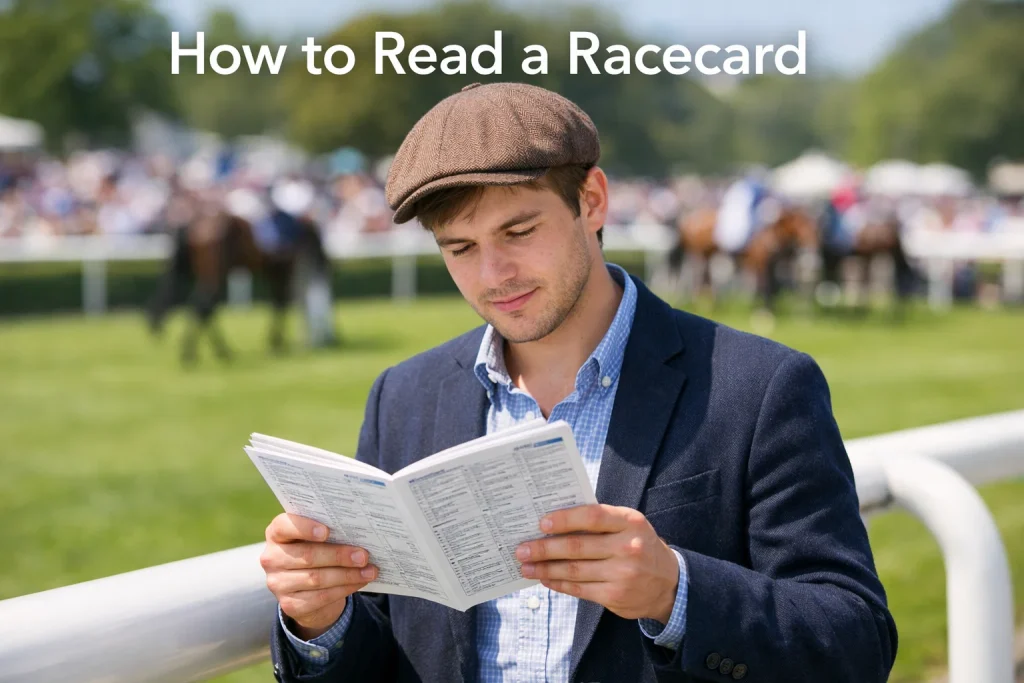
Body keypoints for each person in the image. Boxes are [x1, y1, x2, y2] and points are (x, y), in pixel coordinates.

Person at [260, 82, 897, 683]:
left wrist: (673, 591)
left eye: (519, 230)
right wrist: (321, 620)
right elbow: (393, 650)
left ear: (591, 200)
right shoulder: (403, 394)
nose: (493, 274)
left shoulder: (761, 387)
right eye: (460, 248)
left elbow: (856, 642)